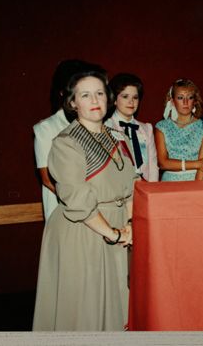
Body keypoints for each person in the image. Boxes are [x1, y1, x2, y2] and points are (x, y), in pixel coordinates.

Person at [33, 68, 138, 331]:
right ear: (72, 103)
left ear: (109, 99)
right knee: (86, 312)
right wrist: (113, 234)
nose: (94, 100)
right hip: (84, 231)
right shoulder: (66, 142)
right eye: (86, 95)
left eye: (100, 93)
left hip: (119, 230)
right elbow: (78, 200)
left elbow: (129, 188)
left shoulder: (119, 138)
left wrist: (129, 224)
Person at [33, 59, 104, 222]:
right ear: (63, 94)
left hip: (96, 210)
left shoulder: (95, 124)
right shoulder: (46, 128)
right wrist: (83, 202)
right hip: (64, 211)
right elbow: (47, 180)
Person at [105, 73, 159, 181]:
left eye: (135, 97)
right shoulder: (105, 127)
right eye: (125, 96)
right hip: (119, 189)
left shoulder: (146, 129)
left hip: (145, 188)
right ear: (114, 100)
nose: (131, 102)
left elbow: (153, 166)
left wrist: (152, 191)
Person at [155, 78, 203, 181]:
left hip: (195, 181)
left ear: (194, 101)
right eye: (180, 98)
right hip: (169, 183)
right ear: (172, 101)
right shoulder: (162, 127)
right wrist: (196, 164)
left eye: (189, 97)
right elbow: (162, 163)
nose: (185, 102)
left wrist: (197, 189)